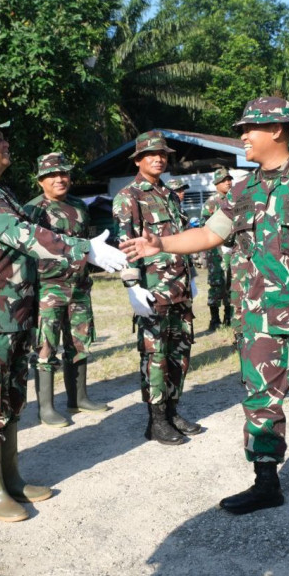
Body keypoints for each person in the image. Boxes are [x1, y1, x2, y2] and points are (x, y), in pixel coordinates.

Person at [120, 97, 289, 513]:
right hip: (258, 315)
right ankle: (266, 480)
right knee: (260, 397)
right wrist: (159, 243)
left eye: (249, 129)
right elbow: (209, 234)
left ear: (276, 130)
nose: (243, 137)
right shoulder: (242, 189)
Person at [0, 112, 126, 522]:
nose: (6, 144)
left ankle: (11, 478)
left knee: (11, 400)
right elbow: (23, 234)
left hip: (12, 314)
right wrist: (84, 249)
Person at [113, 131, 201, 446]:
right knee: (155, 355)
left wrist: (191, 275)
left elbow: (181, 238)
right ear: (138, 160)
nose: (158, 159)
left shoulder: (169, 194)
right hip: (152, 291)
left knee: (180, 352)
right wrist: (132, 287)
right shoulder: (129, 197)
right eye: (151, 154)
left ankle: (173, 411)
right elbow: (126, 247)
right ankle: (157, 420)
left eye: (162, 154)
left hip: (179, 288)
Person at [24, 153, 109, 427]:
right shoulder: (32, 210)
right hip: (48, 288)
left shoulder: (79, 206)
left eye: (64, 173)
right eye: (52, 175)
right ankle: (46, 408)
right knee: (46, 346)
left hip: (79, 286)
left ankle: (78, 398)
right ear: (40, 181)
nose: (59, 179)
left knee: (79, 342)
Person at [199, 167, 233, 331]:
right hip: (216, 251)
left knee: (231, 283)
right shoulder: (211, 203)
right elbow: (204, 227)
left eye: (229, 179)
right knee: (216, 282)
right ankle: (214, 319)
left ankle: (229, 316)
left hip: (232, 249)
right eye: (224, 180)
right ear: (216, 183)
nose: (228, 182)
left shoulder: (234, 200)